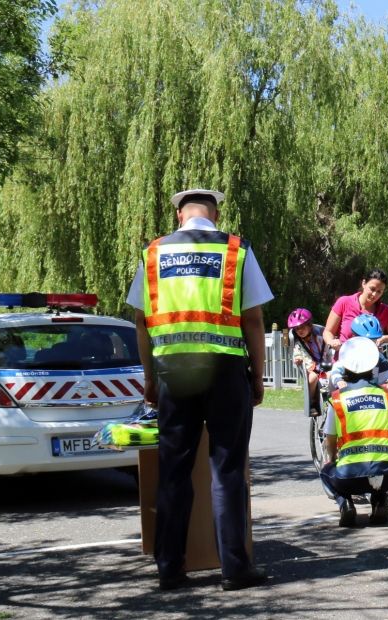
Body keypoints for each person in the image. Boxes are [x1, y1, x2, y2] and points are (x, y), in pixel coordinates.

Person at [127, 188, 272, 591]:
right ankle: (235, 568)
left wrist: (150, 378)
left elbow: (141, 321)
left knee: (174, 470)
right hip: (226, 370)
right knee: (227, 470)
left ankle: (170, 568)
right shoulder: (236, 250)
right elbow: (254, 319)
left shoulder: (153, 253)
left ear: (179, 216)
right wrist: (257, 375)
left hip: (174, 372)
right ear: (215, 214)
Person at [319, 336, 388, 527]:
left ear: (345, 369)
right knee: (378, 472)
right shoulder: (387, 397)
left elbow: (330, 440)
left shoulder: (338, 399)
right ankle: (380, 500)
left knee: (326, 471)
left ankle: (345, 503)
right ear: (373, 367)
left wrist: (332, 459)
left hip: (350, 477)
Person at [323, 269, 388, 352]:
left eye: (379, 292)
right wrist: (332, 342)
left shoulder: (385, 311)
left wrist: (384, 338)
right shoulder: (344, 302)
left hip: (372, 359)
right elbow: (328, 332)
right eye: (372, 289)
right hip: (344, 357)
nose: (374, 294)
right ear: (364, 283)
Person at [327, 314, 388, 396]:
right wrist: (339, 381)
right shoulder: (348, 355)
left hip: (372, 396)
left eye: (374, 340)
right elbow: (336, 371)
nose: (372, 344)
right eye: (367, 340)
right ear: (354, 337)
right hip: (348, 395)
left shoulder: (379, 357)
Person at [288, 308, 328, 417]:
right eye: (297, 329)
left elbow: (329, 351)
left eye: (302, 327)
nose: (300, 330)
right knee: (313, 378)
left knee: (334, 376)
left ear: (310, 325)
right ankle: (312, 403)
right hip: (311, 368)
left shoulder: (321, 337)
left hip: (325, 366)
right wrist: (297, 359)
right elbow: (296, 353)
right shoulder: (298, 343)